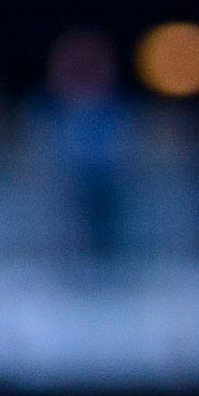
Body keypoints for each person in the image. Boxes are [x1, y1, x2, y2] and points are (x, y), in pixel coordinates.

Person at [44, 29, 135, 261]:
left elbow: (125, 142)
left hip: (108, 177)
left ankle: (111, 257)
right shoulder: (54, 108)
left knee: (110, 223)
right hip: (72, 177)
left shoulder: (116, 106)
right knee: (74, 222)